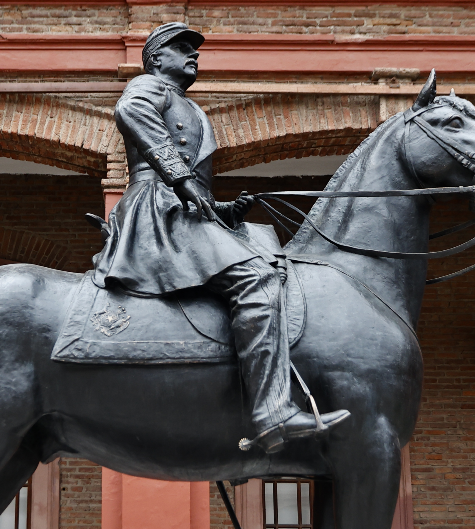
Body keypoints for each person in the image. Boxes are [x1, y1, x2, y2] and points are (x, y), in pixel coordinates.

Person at [91, 22, 349, 454]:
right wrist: (182, 179)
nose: (194, 55)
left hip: (181, 208)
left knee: (271, 265)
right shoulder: (147, 86)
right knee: (257, 279)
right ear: (157, 59)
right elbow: (129, 113)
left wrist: (221, 209)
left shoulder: (190, 106)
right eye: (182, 48)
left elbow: (192, 183)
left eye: (195, 49)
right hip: (156, 209)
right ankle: (271, 413)